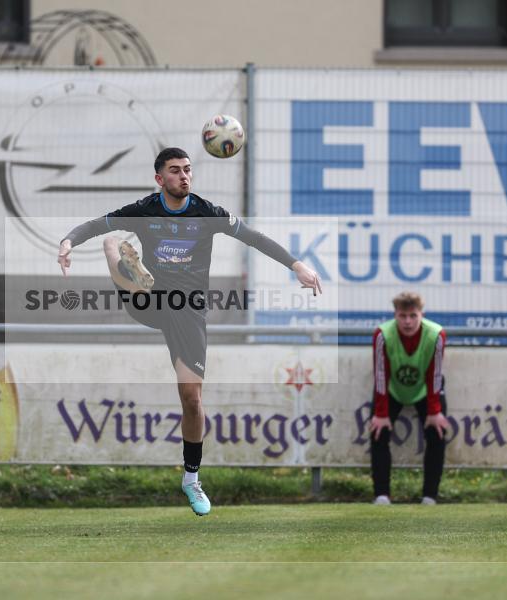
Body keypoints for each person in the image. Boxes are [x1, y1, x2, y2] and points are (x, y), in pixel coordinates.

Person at [57, 147, 321, 516]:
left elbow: (254, 238)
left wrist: (297, 265)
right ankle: (129, 270)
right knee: (111, 239)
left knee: (192, 400)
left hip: (188, 311)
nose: (184, 176)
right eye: (175, 171)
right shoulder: (145, 209)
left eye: (187, 170)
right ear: (159, 178)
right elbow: (94, 225)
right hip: (149, 298)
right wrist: (68, 241)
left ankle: (191, 478)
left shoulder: (207, 213)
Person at [369, 291, 449, 505]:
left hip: (426, 388)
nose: (407, 321)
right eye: (402, 316)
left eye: (413, 315)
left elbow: (436, 373)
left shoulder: (436, 334)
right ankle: (382, 495)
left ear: (421, 314)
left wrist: (434, 411)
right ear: (395, 315)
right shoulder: (382, 335)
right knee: (378, 432)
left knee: (437, 432)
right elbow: (379, 374)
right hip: (391, 388)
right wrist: (381, 413)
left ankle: (429, 496)